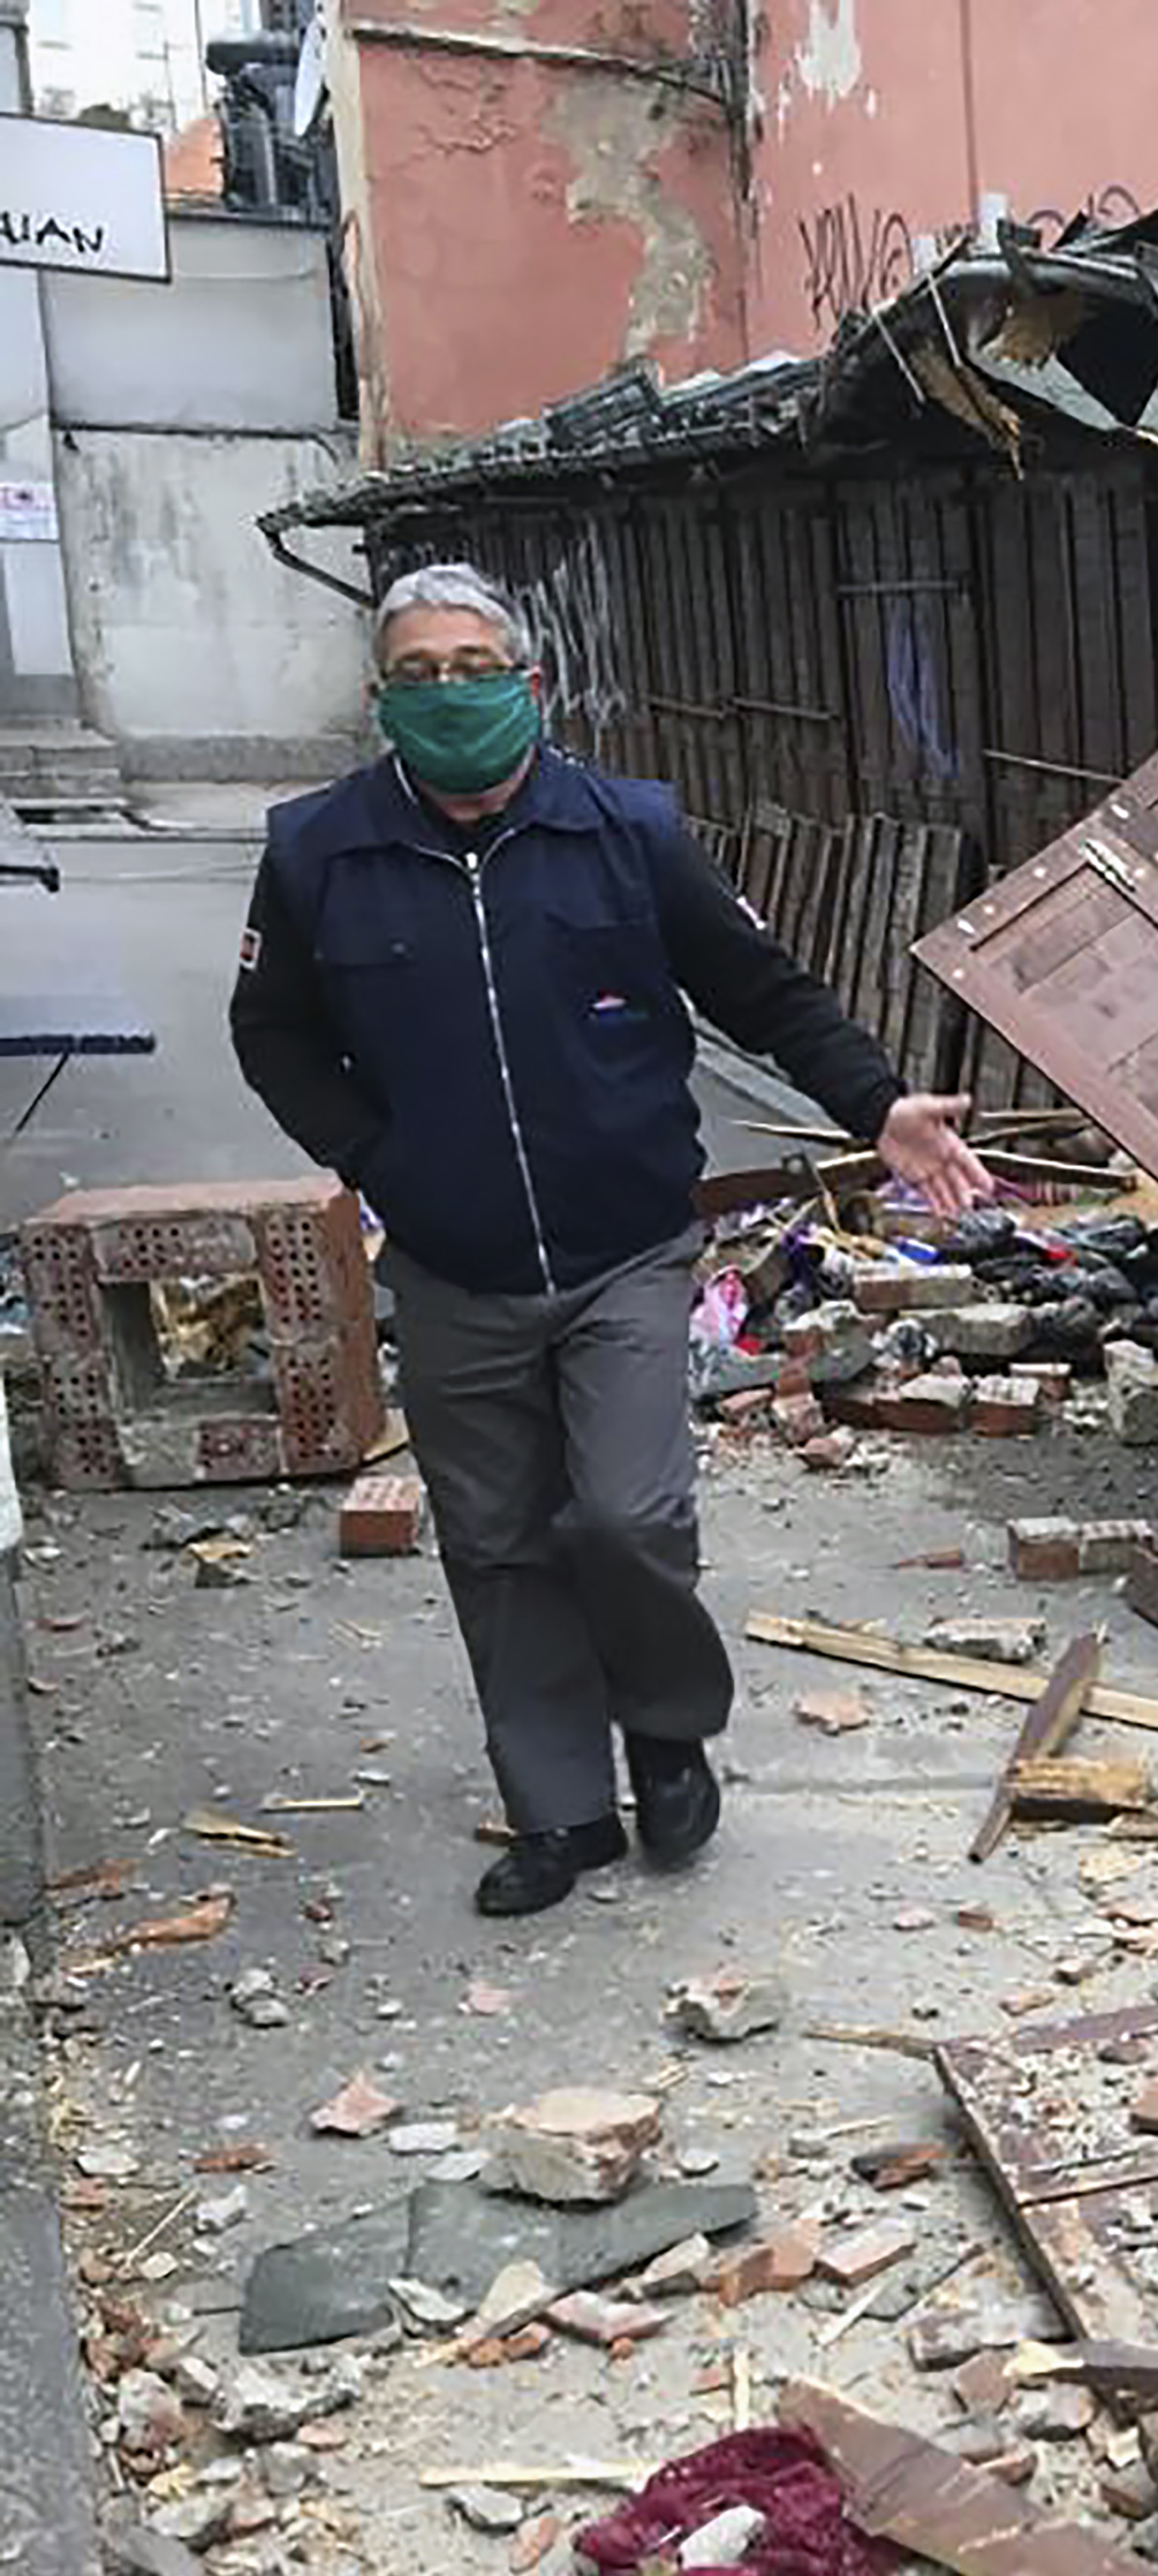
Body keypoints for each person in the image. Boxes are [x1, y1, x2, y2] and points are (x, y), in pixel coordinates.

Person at [229, 562, 996, 1916]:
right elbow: (272, 1033)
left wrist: (878, 1106)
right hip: (453, 1262)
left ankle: (664, 1725)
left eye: (475, 666)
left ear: (529, 686)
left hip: (626, 1249)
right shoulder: (315, 853)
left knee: (630, 1515)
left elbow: (763, 990)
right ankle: (559, 1810)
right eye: (419, 673)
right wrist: (375, 1157)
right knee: (499, 1540)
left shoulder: (626, 832)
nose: (449, 691)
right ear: (381, 701)